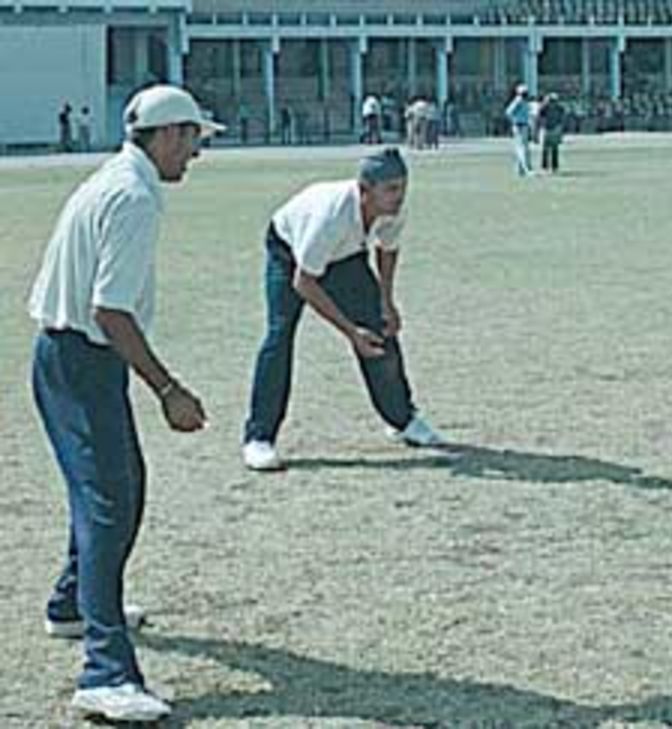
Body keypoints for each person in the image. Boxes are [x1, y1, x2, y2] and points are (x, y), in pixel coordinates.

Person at [28, 84, 223, 723]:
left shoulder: (116, 177)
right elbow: (110, 311)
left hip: (72, 358)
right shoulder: (134, 197)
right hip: (79, 361)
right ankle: (105, 673)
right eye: (192, 138)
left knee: (117, 491)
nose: (196, 152)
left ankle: (71, 605)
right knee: (110, 506)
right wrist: (168, 390)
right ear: (166, 135)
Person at [241, 147, 444, 471]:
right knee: (280, 334)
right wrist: (351, 333)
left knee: (380, 329)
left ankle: (402, 420)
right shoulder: (331, 216)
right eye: (391, 189)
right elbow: (304, 282)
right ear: (365, 190)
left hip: (346, 255)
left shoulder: (393, 209)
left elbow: (387, 249)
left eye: (403, 187)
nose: (399, 196)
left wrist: (386, 302)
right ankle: (259, 438)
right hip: (289, 251)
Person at [505, 84, 533, 176]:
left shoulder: (524, 102)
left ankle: (520, 169)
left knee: (523, 148)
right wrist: (514, 120)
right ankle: (527, 169)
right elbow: (508, 112)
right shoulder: (518, 101)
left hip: (524, 125)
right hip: (519, 126)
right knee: (522, 148)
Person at [539, 92, 566, 173]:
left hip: (554, 129)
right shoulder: (544, 108)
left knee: (554, 149)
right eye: (551, 100)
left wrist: (560, 129)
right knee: (545, 150)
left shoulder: (560, 108)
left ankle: (554, 167)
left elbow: (562, 119)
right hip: (546, 129)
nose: (552, 103)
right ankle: (545, 167)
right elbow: (539, 118)